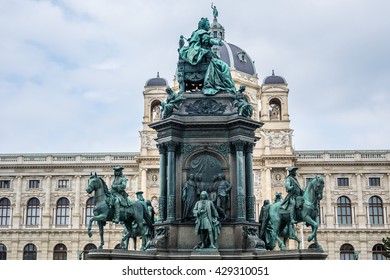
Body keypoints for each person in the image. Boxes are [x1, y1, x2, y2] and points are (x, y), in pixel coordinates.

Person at [178, 17, 236, 95]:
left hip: (199, 58)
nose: (209, 26)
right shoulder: (202, 33)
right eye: (208, 24)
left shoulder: (195, 34)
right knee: (224, 66)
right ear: (203, 25)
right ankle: (228, 86)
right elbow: (208, 40)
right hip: (204, 60)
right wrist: (217, 42)